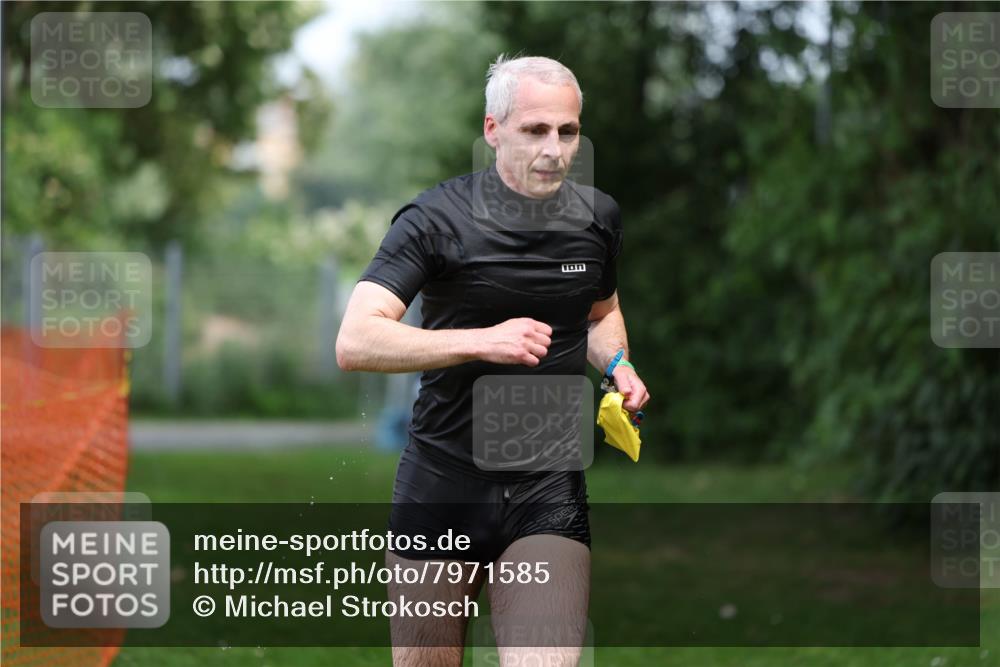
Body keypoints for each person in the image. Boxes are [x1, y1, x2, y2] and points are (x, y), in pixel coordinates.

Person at [336, 54, 650, 667]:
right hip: (443, 482)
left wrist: (618, 367)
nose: (555, 150)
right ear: (493, 130)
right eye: (535, 131)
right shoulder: (433, 220)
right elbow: (355, 340)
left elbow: (598, 313)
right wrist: (481, 340)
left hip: (547, 486)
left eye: (568, 131)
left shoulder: (597, 219)